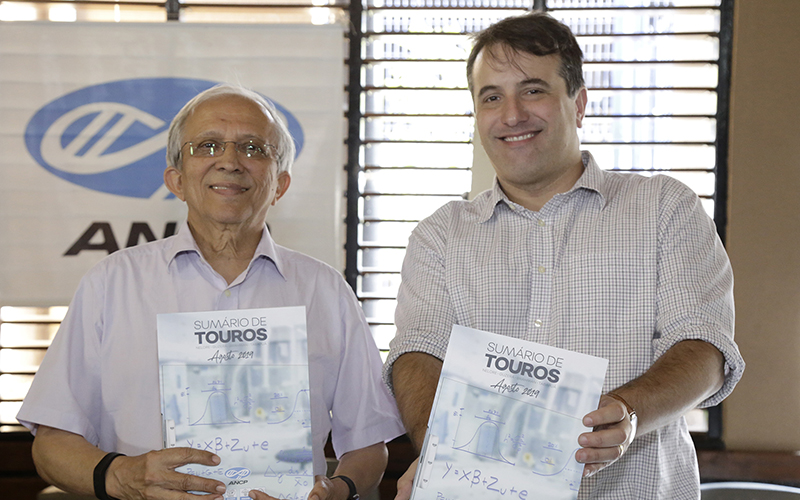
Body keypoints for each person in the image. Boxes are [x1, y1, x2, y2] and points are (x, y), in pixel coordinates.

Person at [384, 12, 745, 500]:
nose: (511, 114)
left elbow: (703, 345)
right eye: (491, 97)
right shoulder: (439, 235)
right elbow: (418, 350)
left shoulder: (664, 207)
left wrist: (626, 411)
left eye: (533, 90)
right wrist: (438, 452)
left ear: (578, 104)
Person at [17, 83, 405, 500]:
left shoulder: (326, 292)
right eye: (207, 146)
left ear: (280, 184)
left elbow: (369, 443)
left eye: (254, 148)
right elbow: (51, 444)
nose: (230, 162)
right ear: (176, 179)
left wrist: (340, 489)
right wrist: (123, 476)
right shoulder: (111, 284)